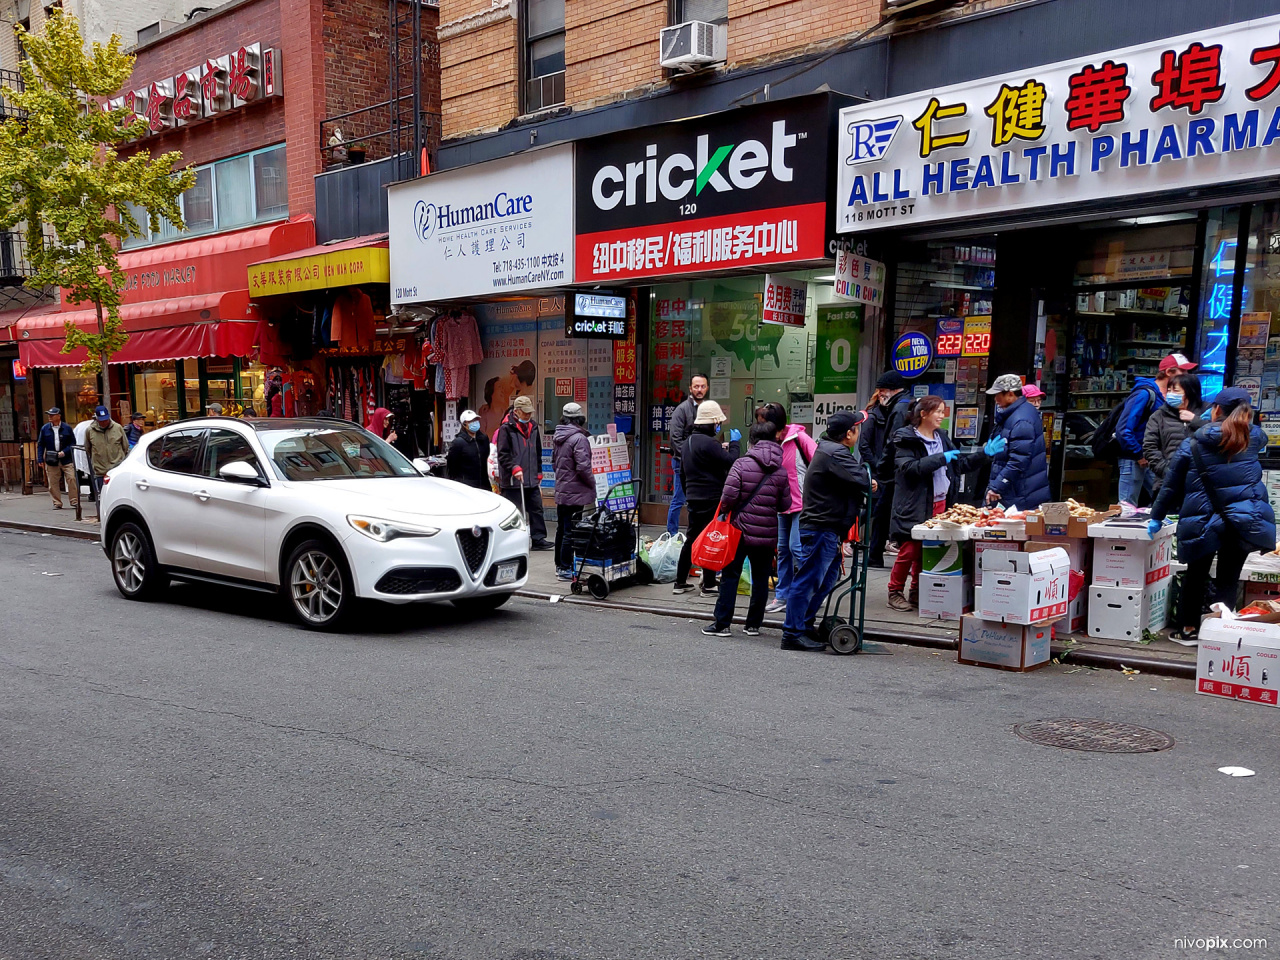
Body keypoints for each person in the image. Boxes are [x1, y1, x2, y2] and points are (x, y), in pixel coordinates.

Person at [1149, 388, 1275, 643]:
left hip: (1203, 518)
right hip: (1242, 519)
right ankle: (1221, 632)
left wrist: (1156, 516)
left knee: (1196, 575)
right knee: (1228, 578)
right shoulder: (1253, 441)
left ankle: (1188, 630)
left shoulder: (1194, 441)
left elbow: (1170, 485)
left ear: (1216, 409)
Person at [886, 397, 1007, 611]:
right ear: (923, 414)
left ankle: (916, 590)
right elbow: (909, 469)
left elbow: (959, 463)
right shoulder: (905, 438)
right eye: (938, 412)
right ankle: (895, 591)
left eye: (943, 411)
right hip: (915, 503)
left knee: (928, 548)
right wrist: (941, 458)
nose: (942, 416)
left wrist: (983, 455)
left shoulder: (941, 436)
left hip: (941, 502)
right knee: (910, 548)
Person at [781, 411, 874, 652]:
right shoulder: (836, 453)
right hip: (821, 527)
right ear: (848, 433)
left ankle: (803, 624)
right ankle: (792, 633)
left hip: (827, 527)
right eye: (857, 428)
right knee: (808, 580)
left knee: (827, 579)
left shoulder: (831, 450)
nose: (858, 433)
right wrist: (869, 480)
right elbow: (863, 480)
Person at [703, 422, 791, 637]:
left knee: (730, 575)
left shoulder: (741, 464)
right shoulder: (780, 470)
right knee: (761, 579)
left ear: (752, 442)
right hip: (767, 533)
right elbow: (785, 506)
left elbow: (727, 499)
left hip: (739, 530)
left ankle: (722, 624)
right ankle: (753, 625)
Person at [672, 400, 741, 596]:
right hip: (711, 497)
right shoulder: (710, 443)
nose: (718, 426)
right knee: (711, 537)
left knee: (692, 538)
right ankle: (709, 584)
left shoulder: (688, 443)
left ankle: (680, 582)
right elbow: (731, 461)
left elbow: (683, 474)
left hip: (694, 497)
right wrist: (735, 444)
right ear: (711, 423)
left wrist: (689, 494)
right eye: (717, 423)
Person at [1116, 352, 1197, 504]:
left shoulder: (1169, 396)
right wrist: (1139, 454)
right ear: (1169, 372)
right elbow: (1124, 429)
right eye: (1183, 371)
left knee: (1165, 498)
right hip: (1135, 458)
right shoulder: (1144, 394)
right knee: (1127, 507)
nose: (1187, 375)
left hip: (1153, 459)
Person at [762, 404, 816, 615]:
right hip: (780, 504)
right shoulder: (769, 441)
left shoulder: (799, 438)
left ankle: (808, 592)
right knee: (783, 550)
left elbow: (818, 461)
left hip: (801, 503)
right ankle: (782, 595)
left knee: (797, 548)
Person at [862, 370, 911, 567]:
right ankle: (876, 554)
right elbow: (867, 445)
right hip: (892, 469)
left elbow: (893, 441)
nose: (881, 393)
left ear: (892, 390)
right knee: (881, 512)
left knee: (882, 513)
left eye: (883, 389)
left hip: (892, 470)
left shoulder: (898, 409)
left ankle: (876, 555)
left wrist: (881, 467)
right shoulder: (900, 407)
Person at [985, 374, 1050, 510]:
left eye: (998, 394)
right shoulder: (1018, 414)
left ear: (1010, 394)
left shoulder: (1021, 420)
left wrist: (997, 486)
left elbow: (1018, 461)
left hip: (1019, 492)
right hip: (1019, 489)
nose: (995, 399)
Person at [497, 395, 552, 550]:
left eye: (529, 412)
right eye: (525, 412)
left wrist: (539, 471)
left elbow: (537, 451)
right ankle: (512, 541)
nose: (528, 415)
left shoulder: (533, 427)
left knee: (536, 508)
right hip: (514, 480)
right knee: (515, 512)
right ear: (517, 411)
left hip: (531, 476)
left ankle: (538, 538)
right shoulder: (506, 428)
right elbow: (503, 454)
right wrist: (514, 468)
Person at [1143, 372, 1206, 496]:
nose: (1170, 394)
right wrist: (1168, 472)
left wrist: (1195, 420)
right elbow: (1149, 447)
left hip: (1201, 484)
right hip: (1167, 483)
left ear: (1190, 391)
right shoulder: (1159, 416)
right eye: (1169, 390)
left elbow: (1219, 435)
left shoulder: (1208, 412)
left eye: (1176, 391)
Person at [552, 402, 595, 581]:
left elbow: (554, 463)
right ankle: (565, 567)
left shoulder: (559, 436)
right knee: (571, 530)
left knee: (562, 528)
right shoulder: (579, 439)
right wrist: (594, 483)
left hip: (563, 489)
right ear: (580, 419)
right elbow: (583, 467)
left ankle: (559, 565)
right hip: (576, 491)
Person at [666, 373, 709, 537]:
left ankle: (696, 535)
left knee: (697, 500)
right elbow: (675, 439)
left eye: (702, 386)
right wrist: (690, 456)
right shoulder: (682, 409)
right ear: (690, 388)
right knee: (679, 499)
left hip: (700, 463)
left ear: (707, 388)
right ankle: (671, 534)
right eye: (696, 386)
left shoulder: (707, 408)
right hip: (682, 462)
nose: (699, 390)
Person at [36, 407, 78, 510]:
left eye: (52, 415)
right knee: (53, 482)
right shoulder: (45, 428)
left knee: (71, 478)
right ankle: (57, 502)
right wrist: (40, 458)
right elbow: (41, 444)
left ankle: (74, 501)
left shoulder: (67, 428)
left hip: (66, 458)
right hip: (51, 459)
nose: (49, 417)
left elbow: (73, 443)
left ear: (58, 416)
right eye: (49, 415)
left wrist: (65, 451)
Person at [84, 405, 129, 496]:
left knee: (119, 495)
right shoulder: (89, 430)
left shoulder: (118, 427)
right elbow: (88, 448)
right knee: (104, 496)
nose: (104, 422)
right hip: (100, 470)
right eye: (101, 420)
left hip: (117, 468)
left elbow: (125, 446)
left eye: (106, 419)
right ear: (96, 419)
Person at [446, 409, 492, 490]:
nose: (474, 422)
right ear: (464, 424)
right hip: (466, 486)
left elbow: (485, 457)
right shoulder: (458, 443)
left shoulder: (483, 439)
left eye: (475, 420)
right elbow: (452, 467)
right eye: (471, 421)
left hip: (484, 485)